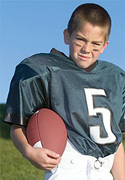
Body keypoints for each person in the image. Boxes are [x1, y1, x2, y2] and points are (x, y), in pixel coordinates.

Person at [3, 3, 125, 180]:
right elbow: (17, 126)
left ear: (105, 45)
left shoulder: (115, 78)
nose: (86, 49)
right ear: (67, 36)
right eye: (80, 39)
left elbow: (115, 140)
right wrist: (28, 152)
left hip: (104, 173)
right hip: (67, 171)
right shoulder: (43, 70)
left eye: (96, 44)